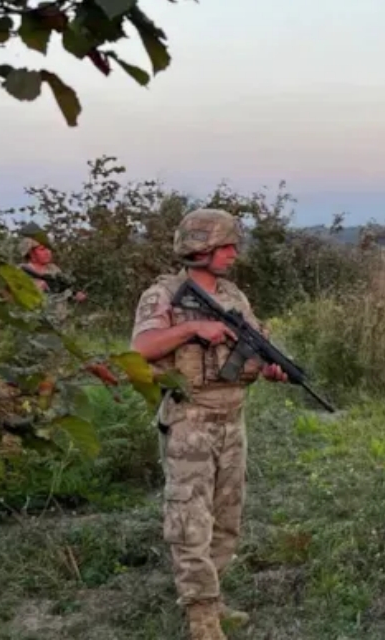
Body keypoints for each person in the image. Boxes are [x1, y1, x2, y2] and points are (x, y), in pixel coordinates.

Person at [129, 208, 288, 640]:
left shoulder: (234, 295)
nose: (234, 253)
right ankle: (199, 615)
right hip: (189, 418)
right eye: (226, 246)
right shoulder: (163, 294)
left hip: (232, 418)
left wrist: (270, 367)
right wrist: (193, 328)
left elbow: (253, 348)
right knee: (189, 518)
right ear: (200, 249)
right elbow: (141, 348)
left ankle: (214, 601)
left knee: (225, 516)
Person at [17, 236, 87, 320]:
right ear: (30, 253)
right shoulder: (20, 272)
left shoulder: (53, 269)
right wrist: (35, 289)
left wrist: (75, 295)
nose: (48, 252)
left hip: (58, 320)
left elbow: (61, 290)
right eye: (42, 249)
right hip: (34, 321)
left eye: (49, 249)